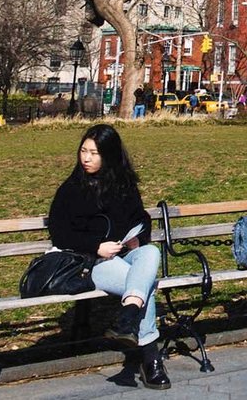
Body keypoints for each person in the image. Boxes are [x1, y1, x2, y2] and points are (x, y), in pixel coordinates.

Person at [47, 124, 169, 389]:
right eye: (83, 151)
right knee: (143, 287)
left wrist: (138, 237)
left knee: (150, 251)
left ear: (109, 155)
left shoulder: (123, 185)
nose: (86, 158)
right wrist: (96, 247)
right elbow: (59, 233)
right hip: (92, 264)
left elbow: (141, 219)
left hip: (125, 256)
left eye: (94, 152)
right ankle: (151, 358)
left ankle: (128, 316)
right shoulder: (71, 189)